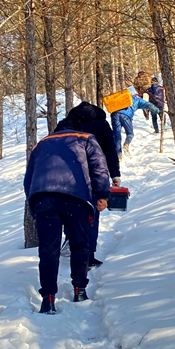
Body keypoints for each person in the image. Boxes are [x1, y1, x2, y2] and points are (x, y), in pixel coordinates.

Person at [24, 128, 110, 314]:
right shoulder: (87, 138)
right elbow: (99, 167)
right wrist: (102, 194)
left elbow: (28, 178)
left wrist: (34, 206)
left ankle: (48, 299)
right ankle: (80, 290)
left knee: (48, 249)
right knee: (79, 244)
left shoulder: (43, 143)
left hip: (43, 198)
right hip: (75, 197)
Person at [55, 102, 120, 270]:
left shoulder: (65, 124)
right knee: (92, 213)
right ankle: (89, 256)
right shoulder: (102, 124)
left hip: (66, 174)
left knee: (69, 210)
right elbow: (109, 149)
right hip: (93, 173)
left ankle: (72, 239)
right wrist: (114, 174)